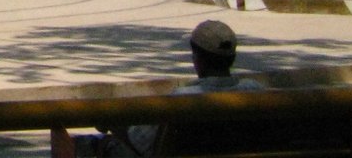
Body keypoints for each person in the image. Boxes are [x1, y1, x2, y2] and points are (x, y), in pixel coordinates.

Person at [89, 20, 263, 156]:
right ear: (232, 58)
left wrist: (111, 121)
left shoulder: (183, 99)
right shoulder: (258, 92)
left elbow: (140, 142)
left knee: (98, 146)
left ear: (197, 59)